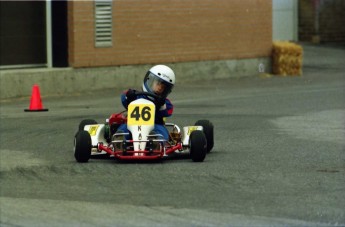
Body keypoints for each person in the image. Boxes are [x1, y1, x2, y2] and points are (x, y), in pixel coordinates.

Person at [116, 65, 175, 141]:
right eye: (158, 84)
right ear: (150, 81)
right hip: (132, 125)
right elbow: (124, 97)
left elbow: (169, 109)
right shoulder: (137, 96)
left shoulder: (163, 102)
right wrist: (129, 95)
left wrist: (161, 103)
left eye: (163, 87)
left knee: (161, 131)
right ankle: (120, 141)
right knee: (124, 129)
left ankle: (155, 142)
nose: (160, 88)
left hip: (154, 126)